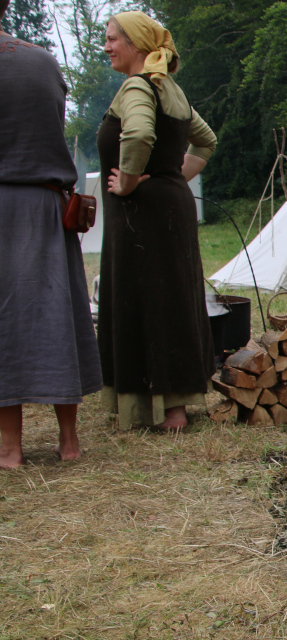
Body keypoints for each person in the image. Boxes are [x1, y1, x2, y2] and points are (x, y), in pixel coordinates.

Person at [96, 11, 217, 432]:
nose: (107, 46)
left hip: (141, 216)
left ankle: (139, 410)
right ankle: (177, 410)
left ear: (136, 45)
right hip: (171, 207)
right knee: (173, 302)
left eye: (113, 39)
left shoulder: (135, 86)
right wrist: (171, 178)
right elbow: (206, 140)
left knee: (140, 302)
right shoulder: (171, 89)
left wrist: (129, 182)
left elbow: (140, 134)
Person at [0, 0, 102, 468]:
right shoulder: (42, 60)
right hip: (47, 204)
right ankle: (69, 442)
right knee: (56, 312)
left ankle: (9, 449)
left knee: (5, 324)